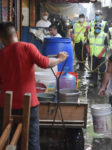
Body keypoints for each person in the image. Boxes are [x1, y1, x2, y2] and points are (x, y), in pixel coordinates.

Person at [0, 22, 68, 150]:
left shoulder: (1, 54)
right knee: (31, 142)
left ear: (2, 39)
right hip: (29, 104)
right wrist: (59, 59)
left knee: (7, 140)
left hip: (5, 106)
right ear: (17, 34)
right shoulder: (27, 47)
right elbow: (45, 63)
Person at [87, 23, 108, 87]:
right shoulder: (90, 34)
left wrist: (101, 53)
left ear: (100, 29)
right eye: (96, 28)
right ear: (94, 28)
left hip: (101, 56)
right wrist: (88, 50)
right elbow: (87, 44)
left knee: (102, 69)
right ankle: (94, 82)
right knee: (94, 69)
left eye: (99, 29)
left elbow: (106, 45)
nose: (97, 30)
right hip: (93, 55)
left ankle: (102, 82)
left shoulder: (104, 35)